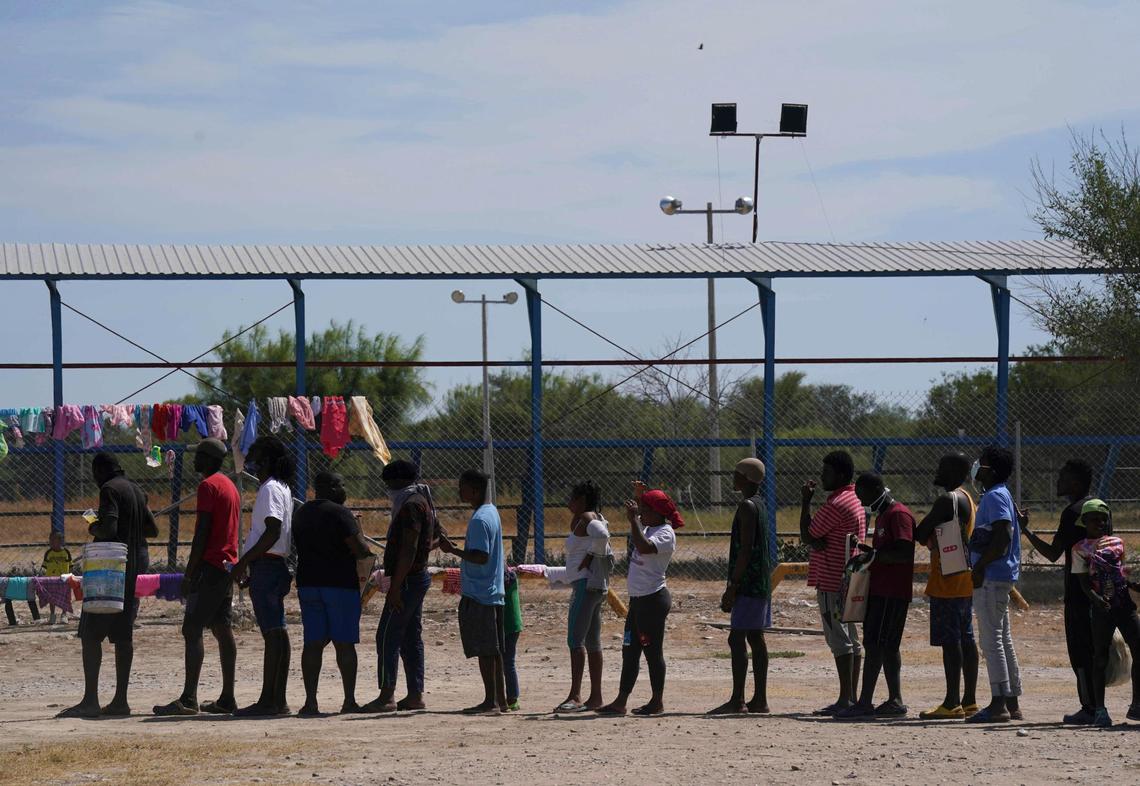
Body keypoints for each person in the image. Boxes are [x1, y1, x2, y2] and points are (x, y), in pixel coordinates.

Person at [57, 453, 158, 718]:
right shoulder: (137, 490)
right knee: (124, 635)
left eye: (94, 473)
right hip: (137, 565)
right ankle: (120, 701)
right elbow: (153, 530)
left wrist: (94, 527)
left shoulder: (109, 489)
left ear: (100, 471)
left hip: (112, 569)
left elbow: (109, 529)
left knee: (91, 633)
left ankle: (90, 700)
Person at [153, 438, 241, 716]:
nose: (195, 460)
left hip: (210, 566)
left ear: (208, 459)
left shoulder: (208, 486)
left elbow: (202, 533)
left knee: (192, 629)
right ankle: (227, 697)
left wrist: (189, 573)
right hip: (227, 566)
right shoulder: (231, 486)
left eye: (199, 455)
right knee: (221, 628)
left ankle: (189, 699)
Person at [1020, 459, 1095, 723]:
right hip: (1100, 590)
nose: (1058, 481)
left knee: (1080, 652)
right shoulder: (1098, 507)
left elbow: (1052, 554)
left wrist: (1025, 531)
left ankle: (1089, 708)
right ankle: (1099, 707)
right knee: (1096, 648)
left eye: (1062, 476)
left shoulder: (1071, 512)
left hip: (1077, 590)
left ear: (1074, 482)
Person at [293, 471, 374, 716]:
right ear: (328, 487)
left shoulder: (302, 513)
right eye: (340, 484)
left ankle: (310, 702)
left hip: (308, 583)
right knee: (344, 643)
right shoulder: (341, 513)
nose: (343, 488)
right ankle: (349, 700)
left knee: (313, 643)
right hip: (340, 585)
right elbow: (360, 550)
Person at [836, 472, 915, 719]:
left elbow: (903, 552)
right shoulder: (882, 516)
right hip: (881, 589)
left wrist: (873, 557)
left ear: (876, 490)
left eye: (862, 495)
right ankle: (893, 700)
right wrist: (869, 553)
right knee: (886, 645)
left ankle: (865, 702)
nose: (860, 501)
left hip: (892, 592)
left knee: (877, 645)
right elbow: (887, 551)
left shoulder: (897, 514)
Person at [597, 482, 680, 717]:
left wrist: (634, 518)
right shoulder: (649, 525)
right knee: (630, 650)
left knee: (652, 652)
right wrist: (639, 497)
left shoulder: (665, 533)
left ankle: (657, 701)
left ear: (657, 513)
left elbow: (643, 547)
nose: (641, 512)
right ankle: (621, 701)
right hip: (638, 602)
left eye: (645, 508)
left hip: (653, 601)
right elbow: (642, 523)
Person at [363, 459, 438, 713]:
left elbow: (409, 547)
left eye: (389, 484)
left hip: (407, 581)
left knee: (387, 635)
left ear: (397, 482)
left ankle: (386, 695)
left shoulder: (409, 506)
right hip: (415, 577)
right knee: (410, 636)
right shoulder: (422, 500)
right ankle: (415, 694)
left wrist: (395, 586)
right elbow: (436, 536)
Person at [232, 436, 296, 717]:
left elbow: (271, 530)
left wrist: (244, 561)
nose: (253, 466)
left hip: (267, 566)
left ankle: (269, 701)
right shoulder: (283, 488)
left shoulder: (269, 489)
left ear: (267, 461)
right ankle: (277, 699)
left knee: (272, 634)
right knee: (278, 632)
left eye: (257, 459)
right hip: (273, 566)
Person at [913, 453, 980, 720]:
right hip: (963, 576)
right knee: (966, 638)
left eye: (942, 466)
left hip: (947, 579)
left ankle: (951, 702)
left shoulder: (946, 499)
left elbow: (920, 534)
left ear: (954, 471)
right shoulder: (967, 498)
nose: (937, 470)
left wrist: (926, 530)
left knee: (951, 642)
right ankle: (969, 700)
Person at [800, 450, 865, 716]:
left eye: (826, 472)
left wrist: (806, 502)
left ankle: (844, 699)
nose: (821, 477)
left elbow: (807, 534)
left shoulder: (835, 504)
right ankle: (852, 697)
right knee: (852, 638)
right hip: (850, 577)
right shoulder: (856, 499)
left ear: (839, 475)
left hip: (831, 579)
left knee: (839, 640)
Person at [439, 469, 508, 714]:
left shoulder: (480, 519)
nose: (460, 491)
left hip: (481, 592)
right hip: (492, 591)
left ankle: (491, 702)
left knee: (486, 650)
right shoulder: (491, 512)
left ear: (475, 490)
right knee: (495, 649)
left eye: (463, 487)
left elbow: (480, 556)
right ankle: (501, 699)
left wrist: (452, 551)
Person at [709, 458, 771, 715]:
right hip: (761, 582)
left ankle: (738, 699)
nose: (732, 478)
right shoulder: (761, 504)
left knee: (737, 638)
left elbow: (745, 549)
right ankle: (759, 699)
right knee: (755, 637)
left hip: (748, 583)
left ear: (746, 478)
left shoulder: (746, 506)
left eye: (736, 474)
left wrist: (733, 585)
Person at [965, 445, 1023, 723]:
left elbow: (1000, 538)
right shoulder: (1000, 495)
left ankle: (998, 702)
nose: (978, 466)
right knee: (1002, 638)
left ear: (992, 470)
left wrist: (979, 566)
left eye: (983, 463)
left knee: (991, 641)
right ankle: (1012, 702)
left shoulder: (995, 498)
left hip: (991, 576)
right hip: (1000, 576)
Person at [1071, 499, 1140, 727]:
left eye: (1102, 519)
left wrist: (1132, 585)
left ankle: (1136, 705)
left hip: (1124, 605)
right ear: (1085, 522)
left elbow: (1120, 573)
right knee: (1099, 656)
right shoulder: (1079, 549)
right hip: (1102, 609)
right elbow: (1083, 583)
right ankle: (1100, 709)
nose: (1099, 523)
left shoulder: (1117, 543)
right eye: (1094, 519)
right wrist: (1097, 601)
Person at [555, 480, 612, 713]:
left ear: (581, 500)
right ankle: (595, 696)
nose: (569, 502)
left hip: (585, 587)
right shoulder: (592, 516)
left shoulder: (588, 517)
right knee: (592, 642)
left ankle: (575, 696)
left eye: (573, 498)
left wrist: (590, 555)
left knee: (575, 640)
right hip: (593, 587)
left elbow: (603, 535)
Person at [41, 531, 73, 624]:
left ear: (60, 541)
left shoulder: (66, 552)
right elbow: (44, 567)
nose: (50, 542)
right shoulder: (48, 553)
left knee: (65, 597)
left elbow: (71, 566)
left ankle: (64, 615)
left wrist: (69, 577)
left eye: (53, 540)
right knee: (51, 598)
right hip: (51, 580)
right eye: (50, 540)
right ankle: (52, 615)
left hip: (64, 579)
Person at [504, 567, 523, 711]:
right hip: (514, 624)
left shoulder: (502, 580)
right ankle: (512, 698)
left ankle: (511, 697)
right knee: (508, 662)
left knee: (506, 663)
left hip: (506, 625)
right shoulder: (511, 576)